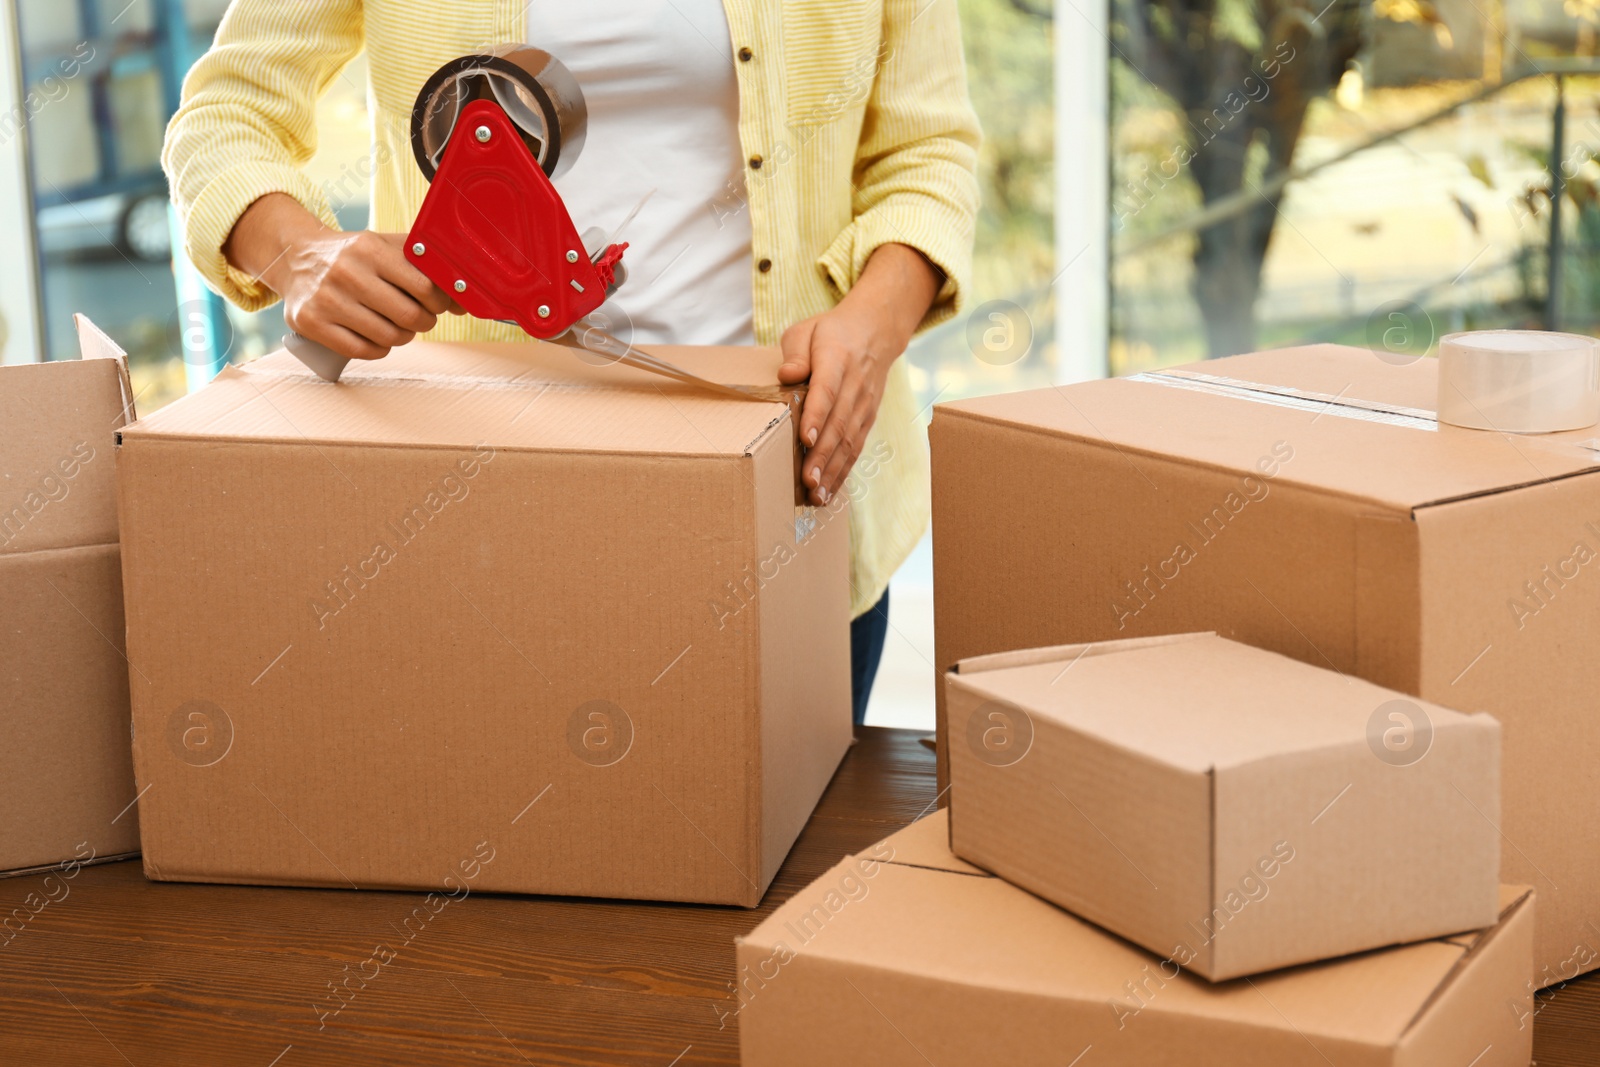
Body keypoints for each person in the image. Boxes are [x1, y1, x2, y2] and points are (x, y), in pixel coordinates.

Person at [162, 0, 981, 725]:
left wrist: (874, 323)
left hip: (791, 487)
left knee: (792, 877)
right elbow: (224, 116)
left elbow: (929, 150)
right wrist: (298, 252)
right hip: (489, 508)